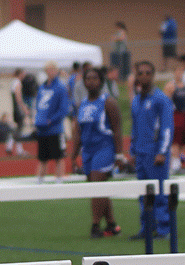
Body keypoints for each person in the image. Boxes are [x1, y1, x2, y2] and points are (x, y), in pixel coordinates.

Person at [68, 67, 125, 238]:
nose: (91, 81)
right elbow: (78, 131)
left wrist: (119, 155)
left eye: (94, 78)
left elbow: (117, 129)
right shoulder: (83, 104)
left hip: (104, 148)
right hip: (88, 151)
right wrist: (73, 155)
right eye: (87, 78)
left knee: (96, 185)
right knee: (98, 188)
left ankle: (95, 225)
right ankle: (112, 224)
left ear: (100, 81)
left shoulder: (108, 102)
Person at [129, 60, 173, 239]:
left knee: (160, 193)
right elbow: (135, 128)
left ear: (153, 75)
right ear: (136, 76)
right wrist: (132, 151)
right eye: (141, 73)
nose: (144, 76)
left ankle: (163, 230)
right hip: (140, 154)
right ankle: (146, 228)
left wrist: (162, 151)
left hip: (156, 154)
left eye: (148, 72)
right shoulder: (137, 100)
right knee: (143, 193)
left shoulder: (160, 99)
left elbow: (167, 128)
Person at [33, 61, 71, 184]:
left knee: (58, 156)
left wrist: (52, 120)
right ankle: (39, 180)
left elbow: (64, 109)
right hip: (42, 129)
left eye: (52, 69)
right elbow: (38, 105)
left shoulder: (60, 87)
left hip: (55, 129)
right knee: (42, 157)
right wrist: (39, 119)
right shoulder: (42, 87)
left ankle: (59, 179)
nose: (50, 72)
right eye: (48, 70)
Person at [163, 54, 185, 173]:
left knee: (183, 141)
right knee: (175, 141)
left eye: (182, 71)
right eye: (178, 71)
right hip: (176, 115)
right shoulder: (171, 86)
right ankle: (175, 162)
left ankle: (181, 161)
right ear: (174, 72)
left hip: (184, 114)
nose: (180, 73)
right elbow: (166, 103)